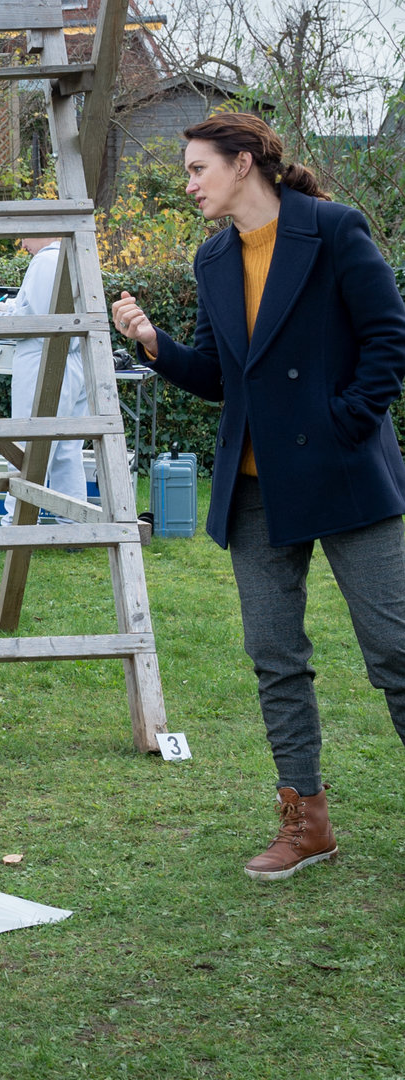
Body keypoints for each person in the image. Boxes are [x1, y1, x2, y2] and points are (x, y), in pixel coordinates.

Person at [111, 113, 405, 881]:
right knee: (274, 658)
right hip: (253, 491)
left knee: (396, 652)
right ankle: (305, 823)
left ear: (244, 164)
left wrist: (345, 422)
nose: (187, 183)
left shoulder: (333, 229)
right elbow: (218, 376)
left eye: (197, 168)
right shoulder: (214, 259)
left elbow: (388, 337)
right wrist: (152, 344)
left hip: (343, 476)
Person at [0, 237, 91, 522]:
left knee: (29, 446)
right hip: (76, 360)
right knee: (67, 449)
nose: (22, 243)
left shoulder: (45, 261)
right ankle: (73, 524)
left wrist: (4, 316)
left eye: (25, 234)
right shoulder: (76, 258)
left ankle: (17, 521)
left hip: (44, 359)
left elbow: (36, 322)